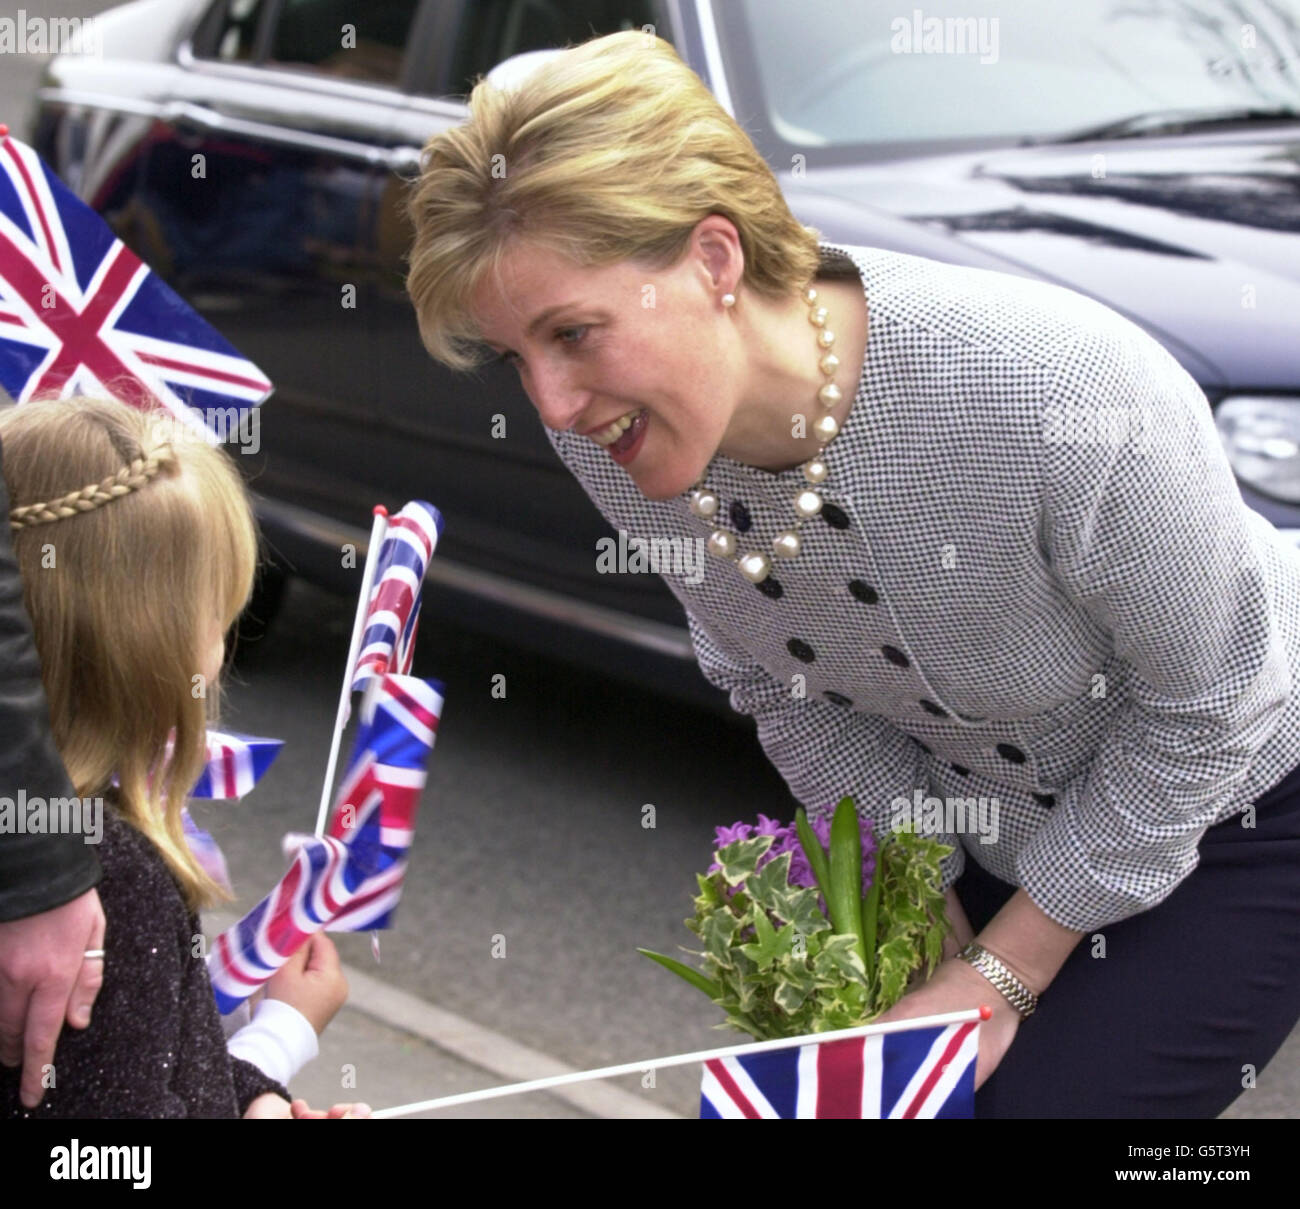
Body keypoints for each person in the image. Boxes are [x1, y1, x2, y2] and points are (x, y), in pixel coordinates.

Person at [402, 30, 1300, 1117]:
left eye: (575, 333)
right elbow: (780, 687)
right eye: (515, 356)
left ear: (714, 259)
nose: (549, 402)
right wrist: (935, 933)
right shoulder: (604, 428)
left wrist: (1001, 974)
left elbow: (1209, 706)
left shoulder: (1051, 390)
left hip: (1234, 801)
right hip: (985, 821)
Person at [0, 394, 364, 1118]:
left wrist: (252, 1093)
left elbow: (132, 1081)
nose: (223, 647)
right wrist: (279, 1041)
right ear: (153, 653)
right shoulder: (103, 884)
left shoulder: (50, 850)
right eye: (218, 619)